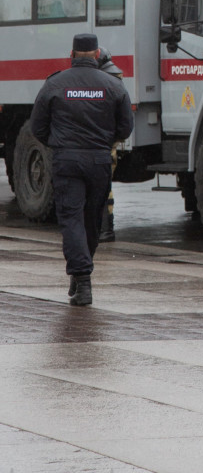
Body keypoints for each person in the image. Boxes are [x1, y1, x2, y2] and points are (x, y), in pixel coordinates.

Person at [29, 31, 133, 306]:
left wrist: (59, 144)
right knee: (92, 220)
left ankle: (82, 278)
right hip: (99, 161)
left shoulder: (55, 84)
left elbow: (37, 126)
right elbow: (126, 127)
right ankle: (81, 272)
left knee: (72, 219)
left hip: (67, 161)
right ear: (98, 54)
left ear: (72, 55)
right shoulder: (113, 85)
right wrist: (104, 142)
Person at [94, 47, 125, 243]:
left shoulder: (100, 81)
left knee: (101, 186)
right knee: (106, 184)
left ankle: (105, 230)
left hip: (98, 139)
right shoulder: (116, 79)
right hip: (110, 139)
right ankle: (106, 228)